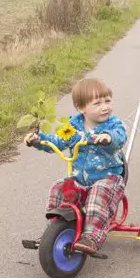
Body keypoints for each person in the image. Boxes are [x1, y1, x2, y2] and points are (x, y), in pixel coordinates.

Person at [25, 77, 127, 257]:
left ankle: (91, 237)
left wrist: (108, 138)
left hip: (109, 178)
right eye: (97, 103)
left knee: (98, 192)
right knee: (59, 188)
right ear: (81, 108)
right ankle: (55, 231)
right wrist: (38, 140)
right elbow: (57, 141)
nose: (105, 107)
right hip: (80, 179)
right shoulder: (73, 126)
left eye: (107, 101)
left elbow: (119, 137)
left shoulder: (112, 124)